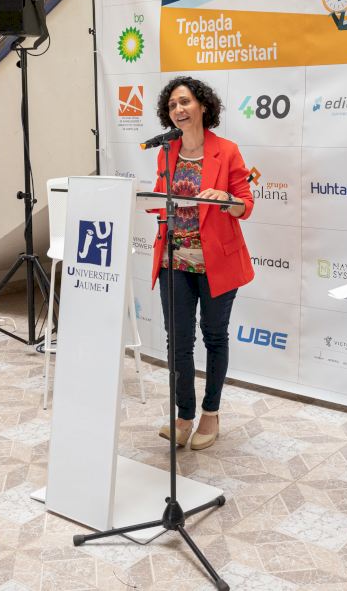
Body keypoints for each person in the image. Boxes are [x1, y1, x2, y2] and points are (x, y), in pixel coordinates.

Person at [150, 76, 255, 450]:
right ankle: (183, 416)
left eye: (185, 102)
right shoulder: (166, 152)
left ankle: (211, 413)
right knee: (177, 341)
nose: (178, 109)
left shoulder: (226, 151)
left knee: (214, 336)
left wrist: (225, 198)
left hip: (216, 264)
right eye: (172, 105)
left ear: (203, 106)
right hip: (173, 261)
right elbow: (160, 199)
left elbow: (245, 205)